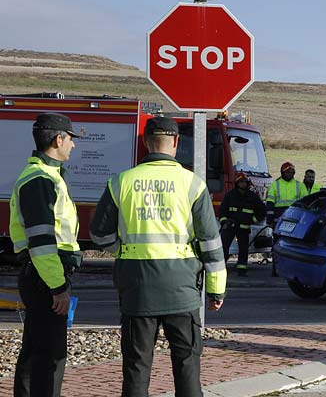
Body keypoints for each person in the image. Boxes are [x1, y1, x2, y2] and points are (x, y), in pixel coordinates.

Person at [89, 117, 227, 397]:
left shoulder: (121, 182)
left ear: (145, 142)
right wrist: (216, 289)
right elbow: (211, 243)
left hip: (137, 289)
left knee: (136, 369)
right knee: (187, 367)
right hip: (182, 290)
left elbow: (99, 235)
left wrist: (125, 251)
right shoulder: (192, 184)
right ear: (176, 142)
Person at [12, 113, 82, 397]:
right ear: (58, 139)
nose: (73, 146)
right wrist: (58, 287)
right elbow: (41, 242)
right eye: (71, 139)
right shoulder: (41, 179)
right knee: (50, 357)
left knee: (34, 352)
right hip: (45, 278)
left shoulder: (44, 176)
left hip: (39, 276)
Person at [219, 173, 266, 276]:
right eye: (241, 182)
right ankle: (220, 268)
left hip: (244, 227)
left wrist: (252, 220)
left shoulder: (252, 196)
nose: (243, 184)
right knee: (223, 247)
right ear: (237, 183)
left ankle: (242, 269)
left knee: (243, 249)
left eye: (245, 182)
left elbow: (262, 211)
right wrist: (224, 222)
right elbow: (222, 211)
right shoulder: (230, 195)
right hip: (230, 226)